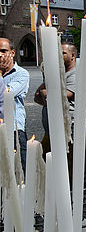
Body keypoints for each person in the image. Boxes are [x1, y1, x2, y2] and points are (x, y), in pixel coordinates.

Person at [0, 38, 30, 171]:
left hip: (14, 129)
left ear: (12, 53)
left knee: (19, 171)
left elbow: (6, 94)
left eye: (3, 51)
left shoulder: (22, 74)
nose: (0, 55)